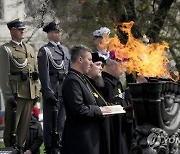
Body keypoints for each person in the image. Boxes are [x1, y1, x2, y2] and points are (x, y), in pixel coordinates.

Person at [61, 45, 111, 154]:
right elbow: (79, 109)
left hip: (89, 138)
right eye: (89, 60)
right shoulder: (72, 81)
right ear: (80, 60)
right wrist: (100, 111)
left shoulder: (81, 78)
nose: (91, 63)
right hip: (80, 140)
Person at [0, 19, 39, 151]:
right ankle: (10, 149)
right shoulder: (6, 49)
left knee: (24, 126)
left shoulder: (30, 48)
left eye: (23, 29)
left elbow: (35, 72)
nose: (23, 31)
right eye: (19, 29)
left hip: (29, 91)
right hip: (16, 93)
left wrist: (36, 92)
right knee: (12, 126)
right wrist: (8, 96)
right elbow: (3, 74)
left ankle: (20, 148)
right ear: (12, 31)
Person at [38, 22, 71, 153]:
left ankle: (60, 144)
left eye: (59, 31)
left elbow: (68, 71)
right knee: (50, 121)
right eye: (56, 32)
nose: (59, 34)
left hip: (63, 89)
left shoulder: (65, 49)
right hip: (53, 90)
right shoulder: (44, 50)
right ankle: (50, 147)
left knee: (62, 121)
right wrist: (47, 92)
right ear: (50, 34)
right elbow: (44, 73)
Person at [100, 56, 133, 154]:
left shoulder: (116, 82)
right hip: (113, 131)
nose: (123, 71)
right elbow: (111, 104)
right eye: (122, 67)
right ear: (113, 66)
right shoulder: (105, 83)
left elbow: (120, 100)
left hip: (121, 128)